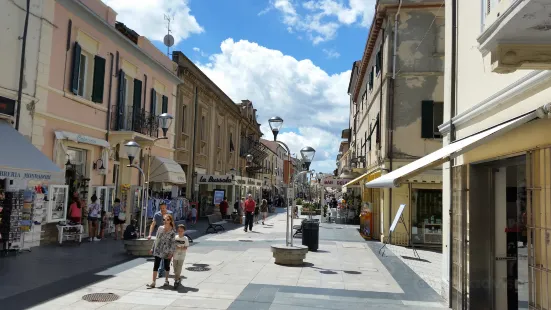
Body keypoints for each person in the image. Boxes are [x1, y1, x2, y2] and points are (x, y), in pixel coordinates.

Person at [147, 214, 176, 288]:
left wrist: (171, 253)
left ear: (170, 221)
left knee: (166, 266)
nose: (165, 221)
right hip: (158, 249)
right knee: (156, 265)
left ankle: (166, 280)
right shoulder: (160, 228)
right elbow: (157, 239)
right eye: (164, 220)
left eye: (167, 220)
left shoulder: (172, 230)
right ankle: (153, 282)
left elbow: (173, 242)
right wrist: (152, 248)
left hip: (167, 250)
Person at [148, 203, 173, 278]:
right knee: (159, 254)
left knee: (164, 255)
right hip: (159, 236)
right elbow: (153, 224)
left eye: (164, 208)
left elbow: (172, 223)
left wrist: (173, 233)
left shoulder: (170, 213)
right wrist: (150, 234)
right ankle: (160, 270)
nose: (162, 209)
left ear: (166, 207)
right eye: (161, 208)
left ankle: (161, 270)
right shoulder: (157, 214)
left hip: (167, 237)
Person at [173, 224, 189, 289]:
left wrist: (180, 248)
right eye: (179, 231)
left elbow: (186, 247)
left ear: (184, 231)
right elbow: (173, 245)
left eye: (181, 231)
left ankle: (176, 280)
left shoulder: (185, 239)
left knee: (179, 268)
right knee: (175, 268)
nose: (180, 232)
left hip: (182, 255)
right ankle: (178, 278)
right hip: (175, 255)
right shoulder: (175, 237)